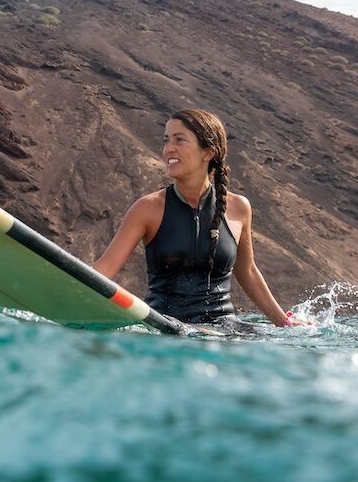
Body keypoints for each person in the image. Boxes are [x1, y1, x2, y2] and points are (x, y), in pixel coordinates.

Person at [93, 108, 297, 329]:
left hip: (224, 331)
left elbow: (247, 271)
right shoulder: (148, 208)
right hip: (164, 328)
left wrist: (285, 322)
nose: (169, 148)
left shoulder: (238, 208)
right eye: (166, 140)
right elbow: (105, 269)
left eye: (180, 140)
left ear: (207, 152)